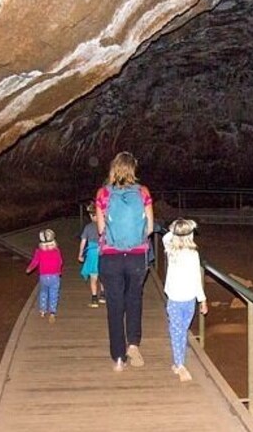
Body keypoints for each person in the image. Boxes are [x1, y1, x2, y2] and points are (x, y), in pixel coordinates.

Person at [95, 151, 154, 372]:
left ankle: (118, 356)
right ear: (133, 169)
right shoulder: (143, 192)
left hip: (110, 257)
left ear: (113, 169)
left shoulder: (103, 194)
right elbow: (149, 228)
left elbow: (101, 229)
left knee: (114, 304)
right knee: (134, 300)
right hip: (137, 256)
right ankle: (133, 344)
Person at [162, 219, 207, 382]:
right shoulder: (193, 254)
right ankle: (179, 361)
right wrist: (202, 299)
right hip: (190, 299)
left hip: (175, 299)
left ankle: (179, 364)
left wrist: (175, 228)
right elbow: (197, 278)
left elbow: (165, 237)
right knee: (182, 329)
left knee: (177, 330)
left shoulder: (170, 249)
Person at [25, 228, 63, 323]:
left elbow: (35, 261)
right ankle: (52, 312)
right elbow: (60, 262)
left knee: (43, 292)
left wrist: (29, 268)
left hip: (43, 276)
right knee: (54, 293)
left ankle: (42, 310)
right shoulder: (56, 251)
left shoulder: (39, 251)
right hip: (55, 275)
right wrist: (59, 271)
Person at [77, 202, 104, 308]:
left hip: (92, 253)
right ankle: (103, 295)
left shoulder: (88, 227)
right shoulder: (104, 226)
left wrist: (80, 254)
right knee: (103, 276)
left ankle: (94, 298)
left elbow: (83, 241)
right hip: (102, 252)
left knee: (93, 277)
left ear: (92, 216)